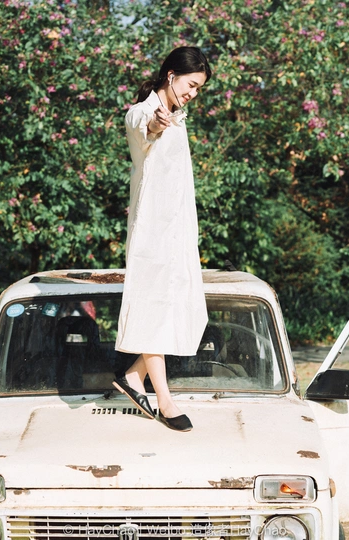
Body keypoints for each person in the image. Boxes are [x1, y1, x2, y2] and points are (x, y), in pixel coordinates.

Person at [112, 47, 212, 432]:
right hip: (152, 233)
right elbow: (145, 128)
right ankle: (165, 399)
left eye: (199, 88)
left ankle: (133, 376)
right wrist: (155, 124)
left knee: (185, 310)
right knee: (154, 309)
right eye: (191, 84)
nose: (193, 93)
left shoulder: (178, 117)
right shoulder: (142, 112)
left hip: (178, 233)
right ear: (171, 75)